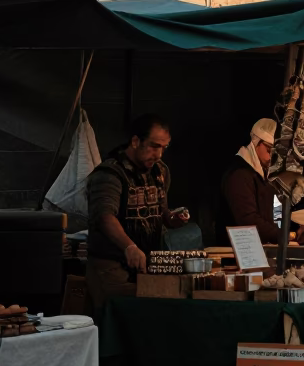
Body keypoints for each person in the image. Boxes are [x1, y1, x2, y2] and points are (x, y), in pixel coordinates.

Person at [85, 113, 190, 309]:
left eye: (164, 147)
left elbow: (162, 210)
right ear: (135, 141)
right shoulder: (109, 174)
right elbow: (105, 216)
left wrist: (171, 218)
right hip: (112, 268)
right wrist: (129, 247)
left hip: (147, 267)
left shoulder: (160, 171)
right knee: (118, 317)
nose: (159, 154)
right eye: (154, 146)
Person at [216, 118, 282, 245]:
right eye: (269, 150)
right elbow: (247, 219)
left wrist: (288, 227)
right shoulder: (239, 174)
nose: (272, 157)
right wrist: (281, 235)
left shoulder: (267, 175)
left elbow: (276, 211)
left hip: (262, 248)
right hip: (236, 252)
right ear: (255, 142)